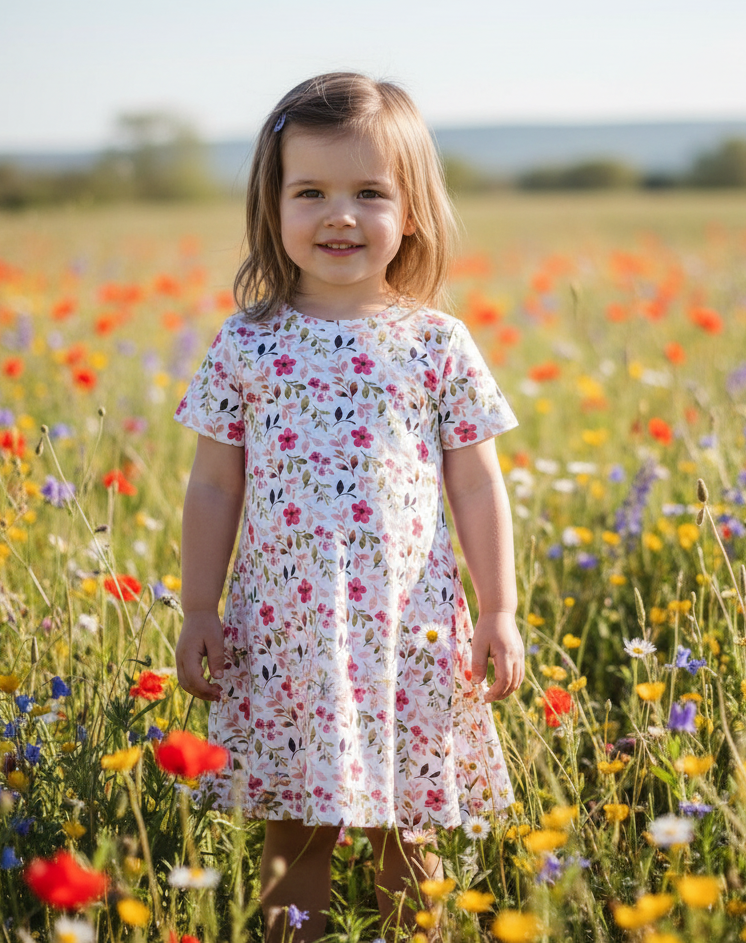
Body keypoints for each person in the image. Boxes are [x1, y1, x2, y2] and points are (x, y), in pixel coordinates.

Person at [174, 72, 523, 942]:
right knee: (297, 832)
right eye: (312, 192)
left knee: (412, 829)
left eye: (370, 192)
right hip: (290, 625)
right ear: (274, 206)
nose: (340, 214)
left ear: (412, 212)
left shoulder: (435, 340)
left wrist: (501, 608)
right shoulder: (249, 341)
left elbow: (477, 481)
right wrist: (198, 607)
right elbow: (215, 483)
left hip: (411, 627)